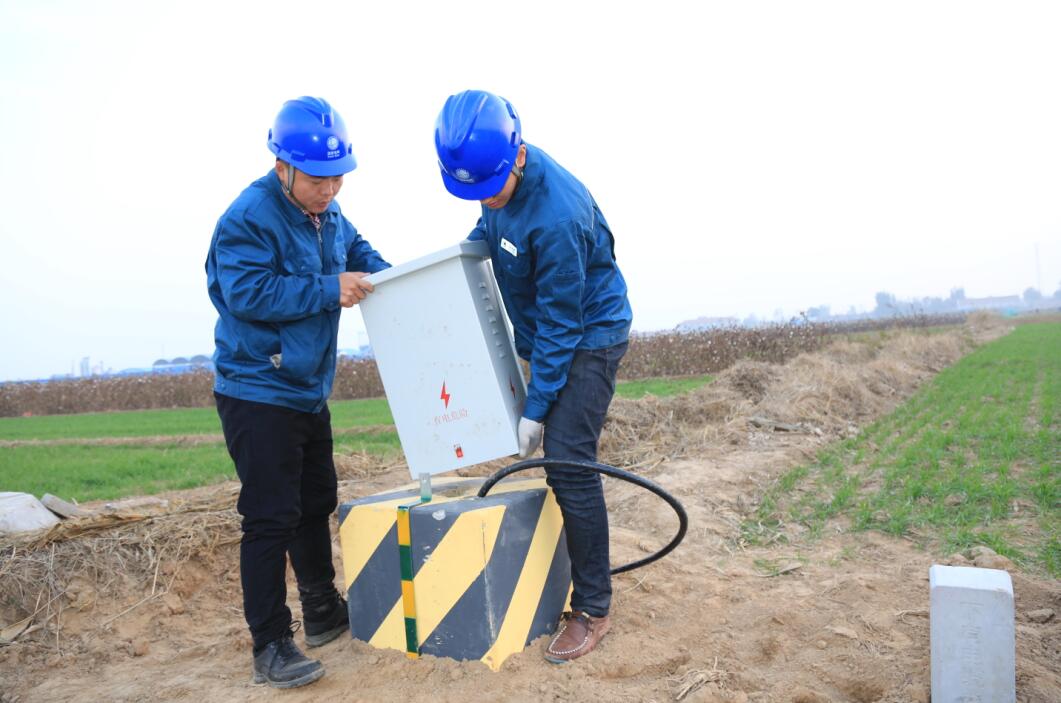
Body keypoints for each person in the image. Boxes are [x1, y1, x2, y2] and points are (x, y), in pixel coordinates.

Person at [433, 90, 633, 664]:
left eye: (489, 187)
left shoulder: (558, 216)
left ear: (516, 153)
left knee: (570, 461)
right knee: (560, 464)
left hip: (590, 335)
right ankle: (572, 571)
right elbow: (490, 227)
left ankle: (593, 609)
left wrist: (537, 408)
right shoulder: (494, 178)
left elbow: (561, 327)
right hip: (551, 332)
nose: (486, 198)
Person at [206, 96, 390, 688]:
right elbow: (247, 294)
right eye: (318, 178)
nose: (330, 189)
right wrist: (326, 288)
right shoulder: (247, 218)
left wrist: (401, 280)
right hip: (258, 388)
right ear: (282, 165)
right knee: (269, 517)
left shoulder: (329, 215)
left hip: (307, 388)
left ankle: (321, 610)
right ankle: (270, 644)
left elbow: (361, 257)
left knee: (316, 501)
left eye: (339, 176)